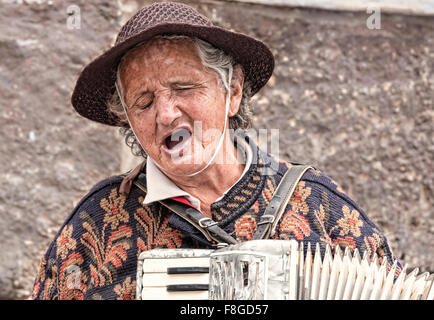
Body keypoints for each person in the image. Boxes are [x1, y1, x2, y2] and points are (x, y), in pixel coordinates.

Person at [31, 2, 400, 300]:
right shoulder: (98, 221)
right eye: (143, 103)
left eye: (184, 88)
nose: (165, 114)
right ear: (128, 120)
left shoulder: (319, 206)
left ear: (233, 91)